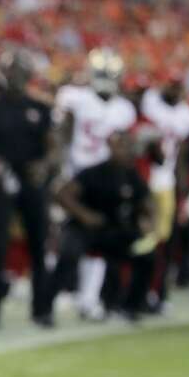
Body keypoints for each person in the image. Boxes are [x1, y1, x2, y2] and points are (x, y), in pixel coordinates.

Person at [0, 50, 56, 327]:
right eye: (11, 71)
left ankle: (41, 309)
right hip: (2, 180)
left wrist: (43, 166)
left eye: (20, 71)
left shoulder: (39, 107)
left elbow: (53, 147)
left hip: (31, 179)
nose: (15, 76)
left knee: (38, 244)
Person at [53, 48, 137, 319]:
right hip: (75, 176)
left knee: (100, 240)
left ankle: (88, 297)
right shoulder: (74, 97)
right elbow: (62, 135)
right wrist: (61, 169)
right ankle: (64, 289)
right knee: (62, 236)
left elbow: (123, 148)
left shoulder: (123, 109)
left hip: (105, 182)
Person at [41, 131, 155, 323]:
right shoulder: (94, 172)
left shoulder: (131, 175)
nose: (124, 151)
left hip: (116, 231)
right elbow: (62, 194)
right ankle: (44, 309)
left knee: (147, 255)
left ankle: (129, 306)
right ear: (110, 148)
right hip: (86, 230)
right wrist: (84, 215)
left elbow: (147, 202)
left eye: (127, 146)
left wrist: (148, 222)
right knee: (68, 254)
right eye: (120, 146)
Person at [138, 73, 189, 307]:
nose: (173, 90)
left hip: (165, 183)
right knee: (141, 238)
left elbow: (182, 157)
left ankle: (156, 293)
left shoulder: (187, 116)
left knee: (162, 243)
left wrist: (181, 194)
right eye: (170, 84)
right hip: (143, 178)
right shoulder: (150, 101)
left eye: (177, 86)